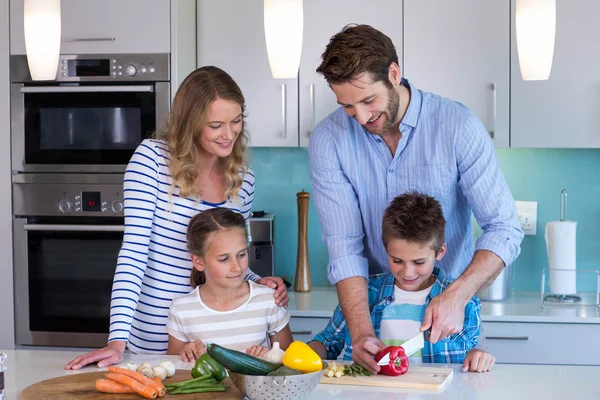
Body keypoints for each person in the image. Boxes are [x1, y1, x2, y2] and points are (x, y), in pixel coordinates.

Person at [308, 24, 523, 373]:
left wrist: (456, 296)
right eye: (347, 107)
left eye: (368, 100)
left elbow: (504, 228)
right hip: (370, 313)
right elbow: (344, 246)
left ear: (394, 74)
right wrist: (361, 331)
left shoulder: (457, 126)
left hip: (449, 321)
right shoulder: (328, 140)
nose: (361, 118)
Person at [66, 66, 288, 370]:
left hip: (211, 339)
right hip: (155, 334)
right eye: (216, 125)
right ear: (191, 125)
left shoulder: (242, 178)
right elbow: (134, 253)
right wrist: (117, 340)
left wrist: (258, 281)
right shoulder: (152, 161)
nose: (229, 134)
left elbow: (225, 253)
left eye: (236, 121)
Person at [309, 192, 495, 373]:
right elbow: (327, 343)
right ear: (386, 249)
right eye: (397, 261)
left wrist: (478, 357)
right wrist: (301, 355)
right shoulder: (361, 294)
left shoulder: (465, 304)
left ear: (440, 251)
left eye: (419, 262)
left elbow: (475, 352)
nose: (407, 272)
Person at [167, 208, 293, 361]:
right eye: (223, 259)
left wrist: (267, 357)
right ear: (198, 262)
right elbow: (173, 368)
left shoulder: (268, 300)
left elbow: (290, 362)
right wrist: (187, 352)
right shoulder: (181, 309)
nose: (237, 267)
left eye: (241, 254)